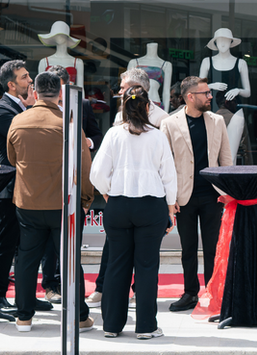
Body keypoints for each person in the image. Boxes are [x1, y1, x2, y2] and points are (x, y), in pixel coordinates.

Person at [7, 71, 94, 333]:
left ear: (34, 92)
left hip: (28, 202)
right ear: (60, 93)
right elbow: (84, 166)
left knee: (26, 259)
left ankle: (23, 316)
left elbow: (12, 159)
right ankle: (78, 316)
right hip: (63, 203)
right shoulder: (68, 123)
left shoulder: (18, 121)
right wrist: (86, 199)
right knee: (70, 259)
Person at [90, 86, 177, 339]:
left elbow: (96, 173)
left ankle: (111, 325)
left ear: (123, 107)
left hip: (118, 205)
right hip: (151, 206)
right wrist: (170, 209)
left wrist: (108, 193)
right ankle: (146, 327)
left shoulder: (113, 134)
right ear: (148, 107)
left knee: (117, 264)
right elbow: (168, 177)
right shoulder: (158, 136)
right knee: (147, 266)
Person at [160, 76, 233, 312]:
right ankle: (190, 293)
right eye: (206, 93)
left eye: (210, 93)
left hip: (213, 194)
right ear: (190, 97)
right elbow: (166, 164)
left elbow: (226, 159)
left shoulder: (217, 121)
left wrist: (228, 191)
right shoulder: (170, 123)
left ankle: (214, 292)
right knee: (187, 248)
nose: (210, 97)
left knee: (213, 247)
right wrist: (170, 200)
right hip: (184, 196)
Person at [0, 59, 37, 312]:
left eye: (29, 76)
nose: (30, 80)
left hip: (26, 184)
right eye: (24, 77)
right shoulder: (3, 110)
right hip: (12, 184)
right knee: (7, 241)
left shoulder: (19, 106)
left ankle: (24, 297)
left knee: (25, 243)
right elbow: (22, 144)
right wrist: (32, 110)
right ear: (11, 84)